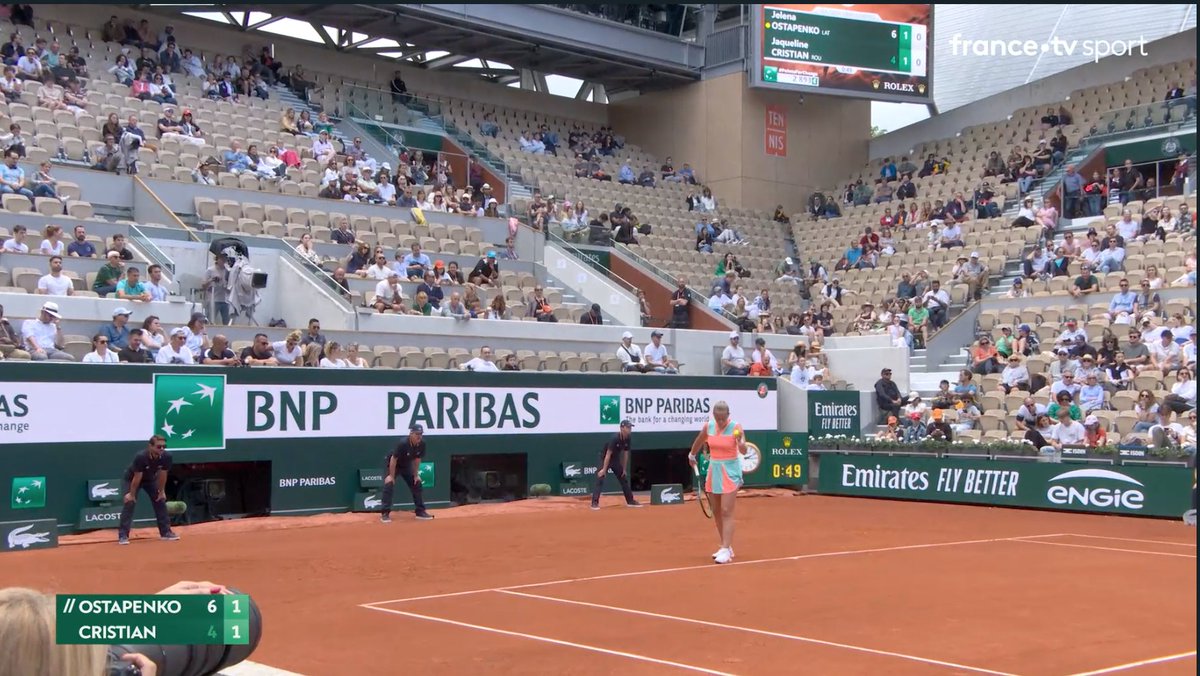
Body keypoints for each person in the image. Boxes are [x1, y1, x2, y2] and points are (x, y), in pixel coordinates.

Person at [688, 400, 746, 564]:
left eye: (723, 418)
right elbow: (699, 440)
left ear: (728, 415)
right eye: (718, 418)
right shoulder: (709, 427)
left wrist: (740, 442)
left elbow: (743, 450)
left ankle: (726, 550)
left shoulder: (736, 427)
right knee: (717, 511)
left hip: (730, 471)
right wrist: (692, 455)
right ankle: (725, 546)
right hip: (714, 471)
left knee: (727, 510)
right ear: (714, 416)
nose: (720, 422)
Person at [117, 435, 180, 545]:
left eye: (164, 447)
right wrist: (131, 494)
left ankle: (166, 533)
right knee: (130, 503)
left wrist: (161, 491)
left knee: (160, 501)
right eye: (158, 446)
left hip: (150, 480)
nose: (161, 449)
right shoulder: (141, 457)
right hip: (132, 479)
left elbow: (162, 474)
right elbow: (137, 477)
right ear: (150, 446)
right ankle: (123, 535)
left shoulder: (167, 456)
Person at [379, 425, 433, 523]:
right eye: (417, 434)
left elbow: (417, 459)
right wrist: (391, 476)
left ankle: (420, 512)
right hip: (393, 464)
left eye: (421, 434)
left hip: (406, 465)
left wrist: (416, 475)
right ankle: (385, 513)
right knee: (389, 484)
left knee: (416, 483)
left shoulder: (422, 444)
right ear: (411, 434)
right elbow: (393, 459)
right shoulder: (403, 443)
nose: (419, 436)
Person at [589, 419, 643, 510]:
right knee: (600, 478)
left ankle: (630, 501)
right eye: (628, 427)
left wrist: (624, 469)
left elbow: (625, 453)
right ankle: (594, 503)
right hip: (605, 458)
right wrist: (604, 470)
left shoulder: (628, 438)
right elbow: (608, 454)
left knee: (623, 478)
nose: (630, 429)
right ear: (622, 428)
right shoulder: (614, 438)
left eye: (630, 427)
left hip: (615, 460)